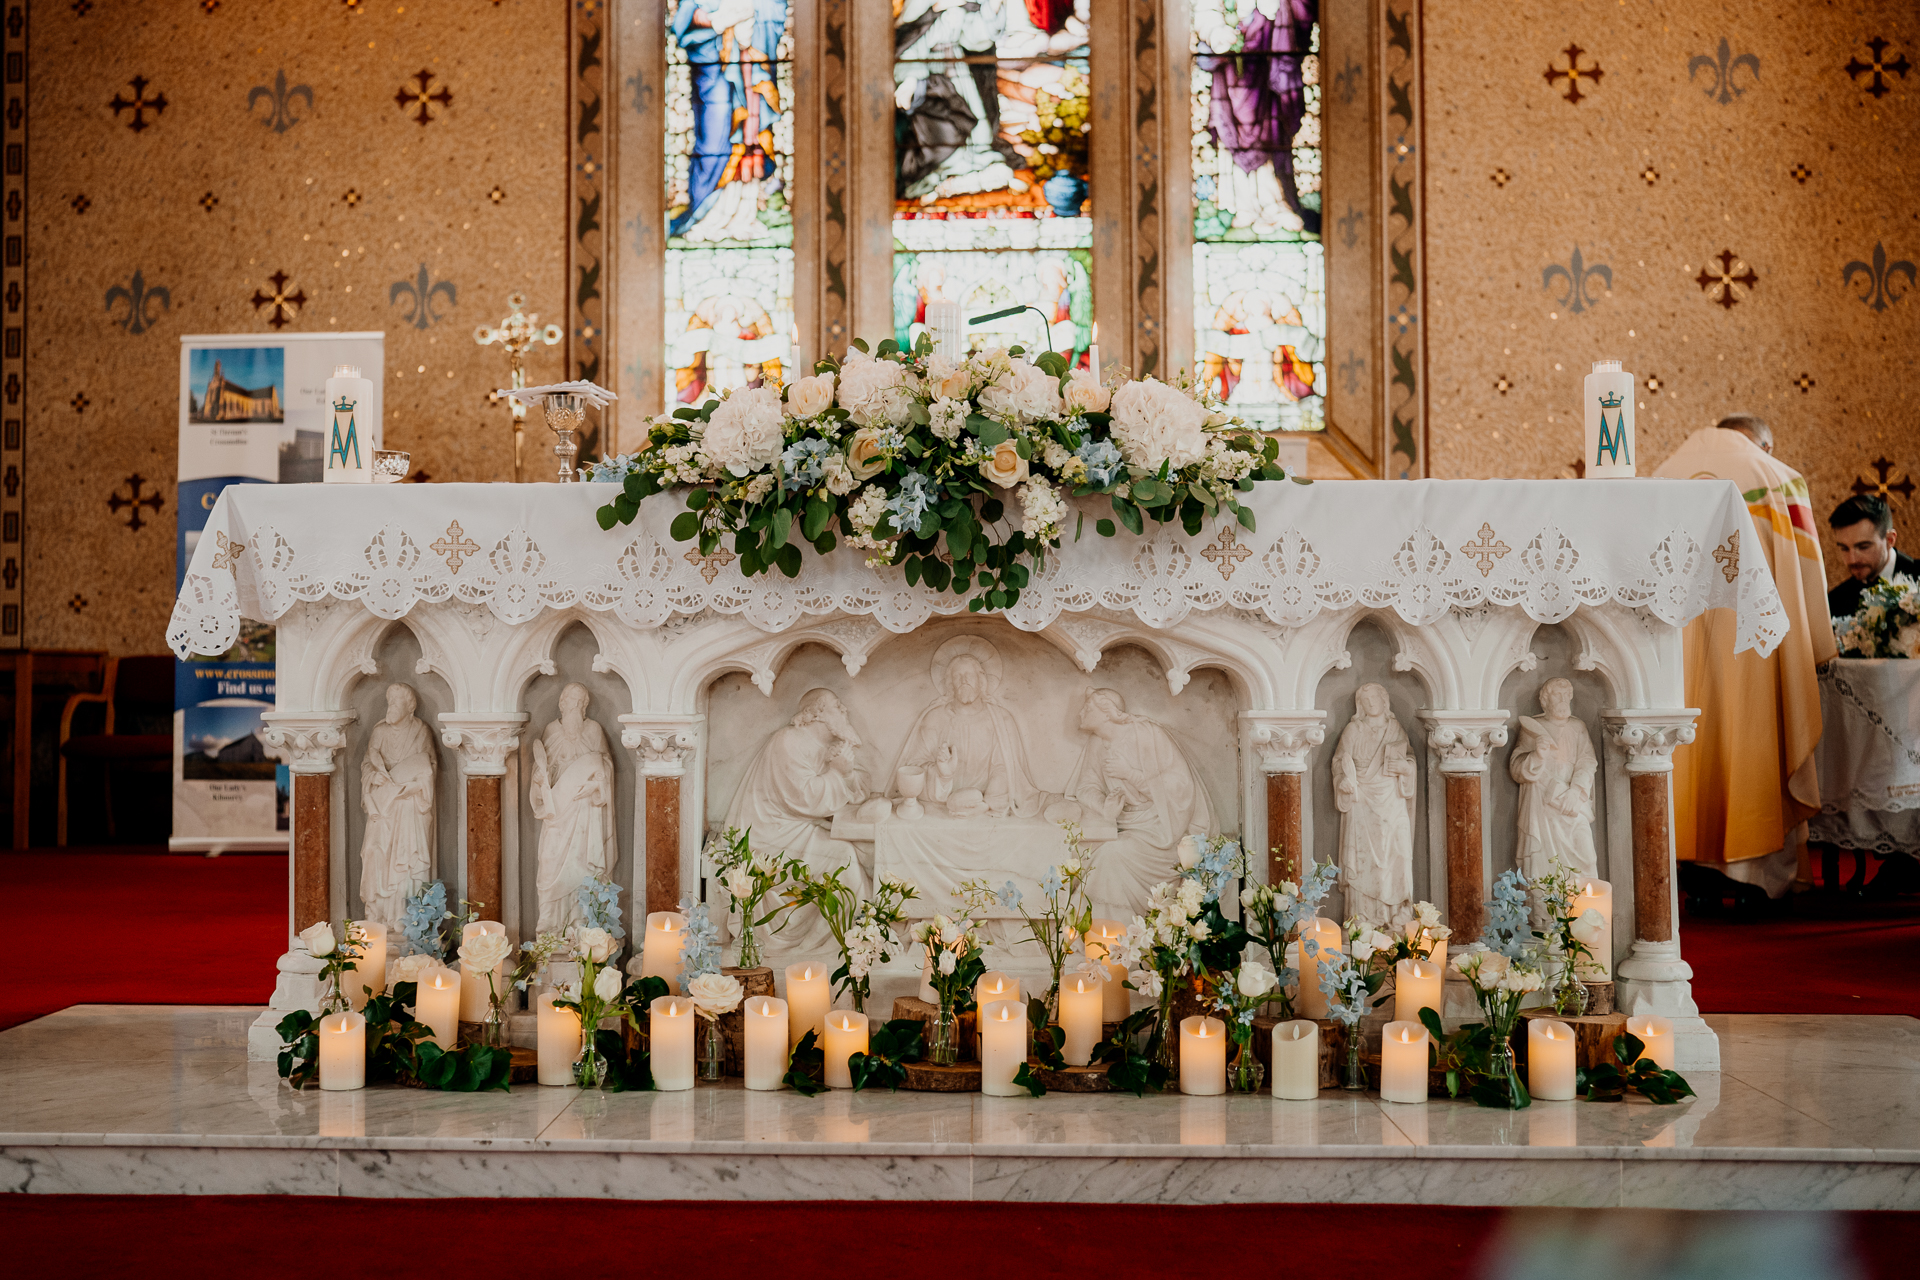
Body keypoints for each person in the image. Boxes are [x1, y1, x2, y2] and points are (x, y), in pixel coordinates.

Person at [1652, 414, 1837, 896]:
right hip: (1755, 647)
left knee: (1686, 744)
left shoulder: (1662, 475)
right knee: (1754, 736)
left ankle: (1690, 870)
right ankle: (1754, 877)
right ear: (1764, 443)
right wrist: (1813, 645)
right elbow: (1805, 578)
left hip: (1679, 649)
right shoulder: (1776, 478)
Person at [1065, 688, 1217, 918]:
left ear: (1107, 713)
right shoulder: (1098, 744)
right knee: (1096, 854)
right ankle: (1109, 937)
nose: (1080, 713)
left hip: (1164, 828)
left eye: (1087, 708)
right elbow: (1085, 787)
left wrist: (1131, 774)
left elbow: (1180, 785)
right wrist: (1104, 805)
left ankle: (1107, 936)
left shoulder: (1147, 734)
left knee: (1110, 856)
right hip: (1129, 826)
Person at [892, 637, 1047, 818]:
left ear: (981, 681)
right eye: (958, 676)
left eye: (970, 675)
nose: (964, 680)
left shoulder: (1001, 719)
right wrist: (943, 775)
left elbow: (1007, 771)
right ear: (950, 684)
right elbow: (913, 769)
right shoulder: (934, 719)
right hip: (941, 806)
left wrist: (988, 803)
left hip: (989, 803)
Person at [530, 683, 617, 934]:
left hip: (586, 812)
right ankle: (549, 924)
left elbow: (606, 765)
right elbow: (542, 767)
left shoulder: (593, 730)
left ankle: (581, 921)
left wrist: (595, 786)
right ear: (561, 704)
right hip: (557, 812)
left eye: (580, 703)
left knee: (583, 865)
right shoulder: (551, 731)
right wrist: (539, 779)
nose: (575, 707)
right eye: (570, 702)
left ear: (585, 707)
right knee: (549, 861)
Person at [1331, 683, 1416, 924]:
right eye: (1365, 700)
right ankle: (1362, 915)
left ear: (1384, 700)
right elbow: (1340, 761)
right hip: (1362, 800)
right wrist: (1343, 781)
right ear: (1360, 705)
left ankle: (1398, 911)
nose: (1370, 703)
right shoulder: (1353, 730)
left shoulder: (1395, 729)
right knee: (1363, 856)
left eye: (1374, 698)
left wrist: (1405, 768)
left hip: (1391, 797)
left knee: (1397, 850)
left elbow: (1408, 759)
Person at [359, 683, 437, 926]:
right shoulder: (379, 732)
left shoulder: (420, 731)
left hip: (410, 808)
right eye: (388, 701)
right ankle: (379, 918)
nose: (390, 707)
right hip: (383, 809)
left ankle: (408, 922)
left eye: (395, 702)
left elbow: (430, 768)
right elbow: (366, 767)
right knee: (375, 855)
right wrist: (374, 777)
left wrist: (411, 788)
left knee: (407, 865)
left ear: (409, 707)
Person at [1510, 678, 1599, 884]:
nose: (1563, 699)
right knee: (1544, 864)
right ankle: (1545, 914)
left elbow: (1587, 761)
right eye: (1557, 695)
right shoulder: (1532, 728)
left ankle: (1583, 913)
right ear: (1545, 700)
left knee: (1586, 856)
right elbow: (1516, 769)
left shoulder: (1578, 727)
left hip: (1572, 802)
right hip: (1542, 806)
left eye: (1566, 695)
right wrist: (1537, 755)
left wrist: (1575, 791)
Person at [1827, 493, 1917, 620]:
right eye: (1844, 548)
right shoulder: (1835, 602)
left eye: (1863, 547)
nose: (1852, 559)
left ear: (1890, 540)